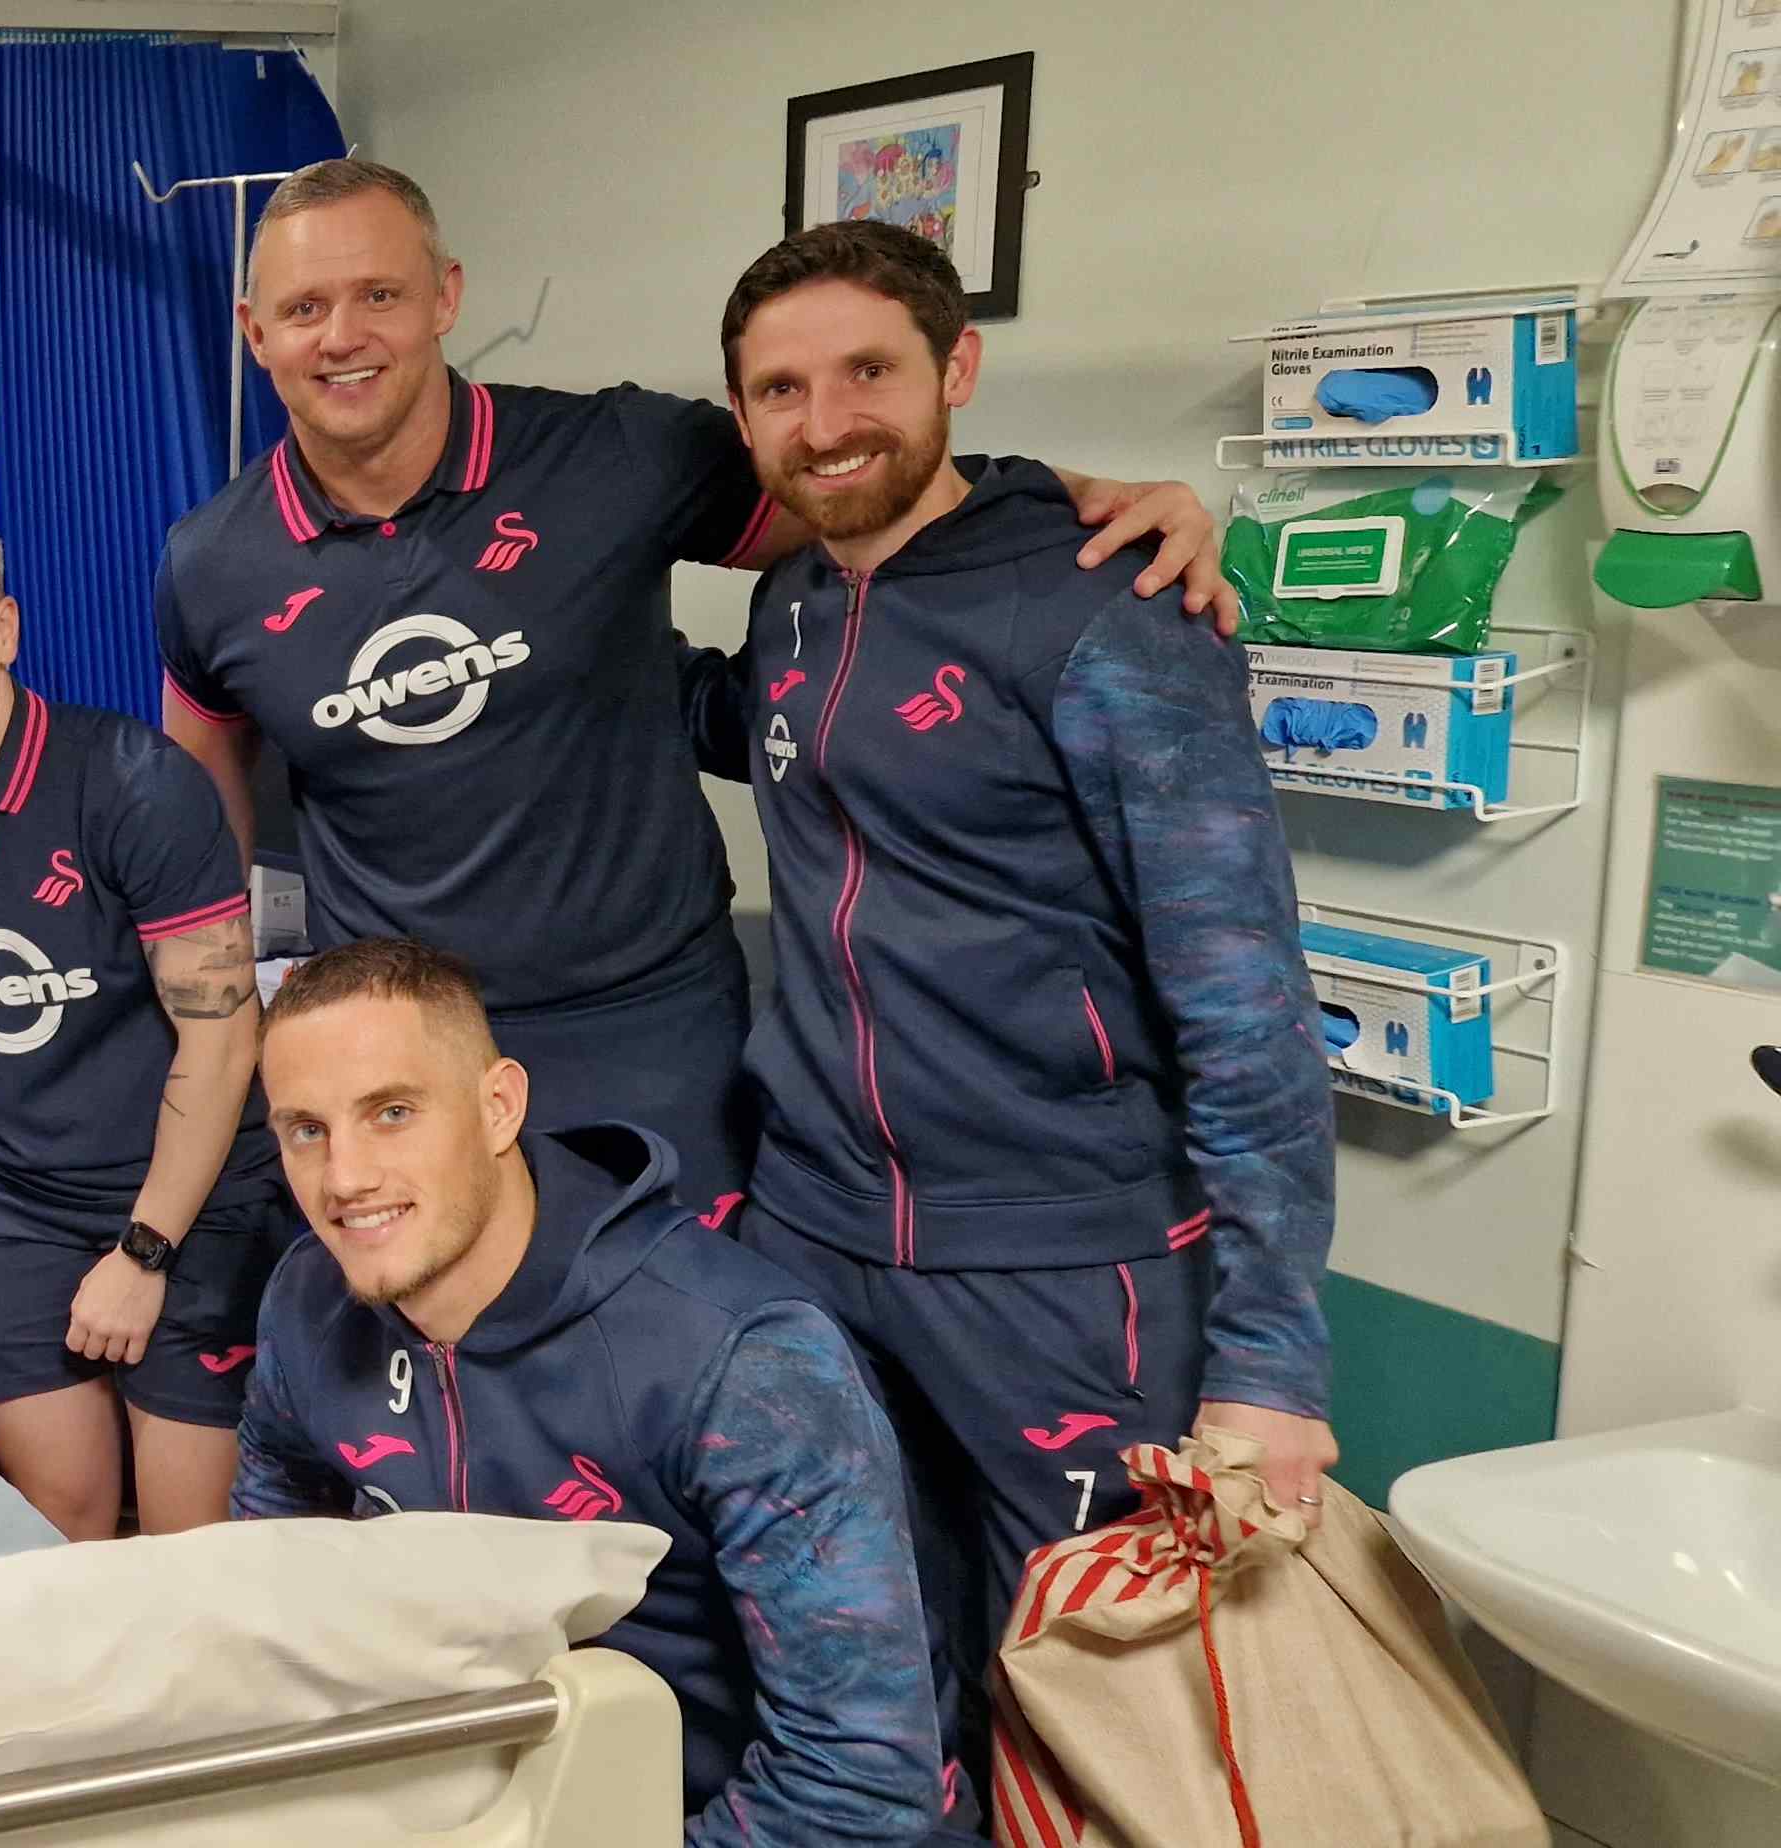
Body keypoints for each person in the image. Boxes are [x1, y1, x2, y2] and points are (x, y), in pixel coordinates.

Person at [153, 158, 1237, 1224]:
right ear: (255, 331)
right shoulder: (212, 565)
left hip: (648, 1029)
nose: (342, 336)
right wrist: (235, 1055)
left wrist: (1081, 505)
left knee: (675, 1371)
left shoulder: (620, 456)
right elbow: (197, 837)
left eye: (379, 293)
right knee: (442, 1386)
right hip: (398, 1044)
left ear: (445, 298)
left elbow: (870, 497)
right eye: (304, 307)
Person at [691, 219, 1335, 1804]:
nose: (826, 418)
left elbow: (1247, 1009)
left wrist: (1271, 1363)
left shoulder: (1109, 613)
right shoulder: (789, 616)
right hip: (823, 1248)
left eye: (868, 372)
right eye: (780, 388)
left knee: (1109, 1726)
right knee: (870, 1687)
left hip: (1066, 1268)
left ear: (956, 371)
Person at [236, 940, 944, 1845]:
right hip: (453, 1799)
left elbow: (862, 1787)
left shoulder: (741, 1357)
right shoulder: (306, 1302)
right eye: (307, 1130)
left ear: (498, 1107)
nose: (344, 1179)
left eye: (393, 1113)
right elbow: (274, 1596)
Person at [0, 492, 284, 1540]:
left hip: (190, 1195)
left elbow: (221, 1037)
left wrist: (145, 1251)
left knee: (189, 1542)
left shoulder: (137, 786)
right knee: (58, 1528)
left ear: (2, 630)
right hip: (12, 1204)